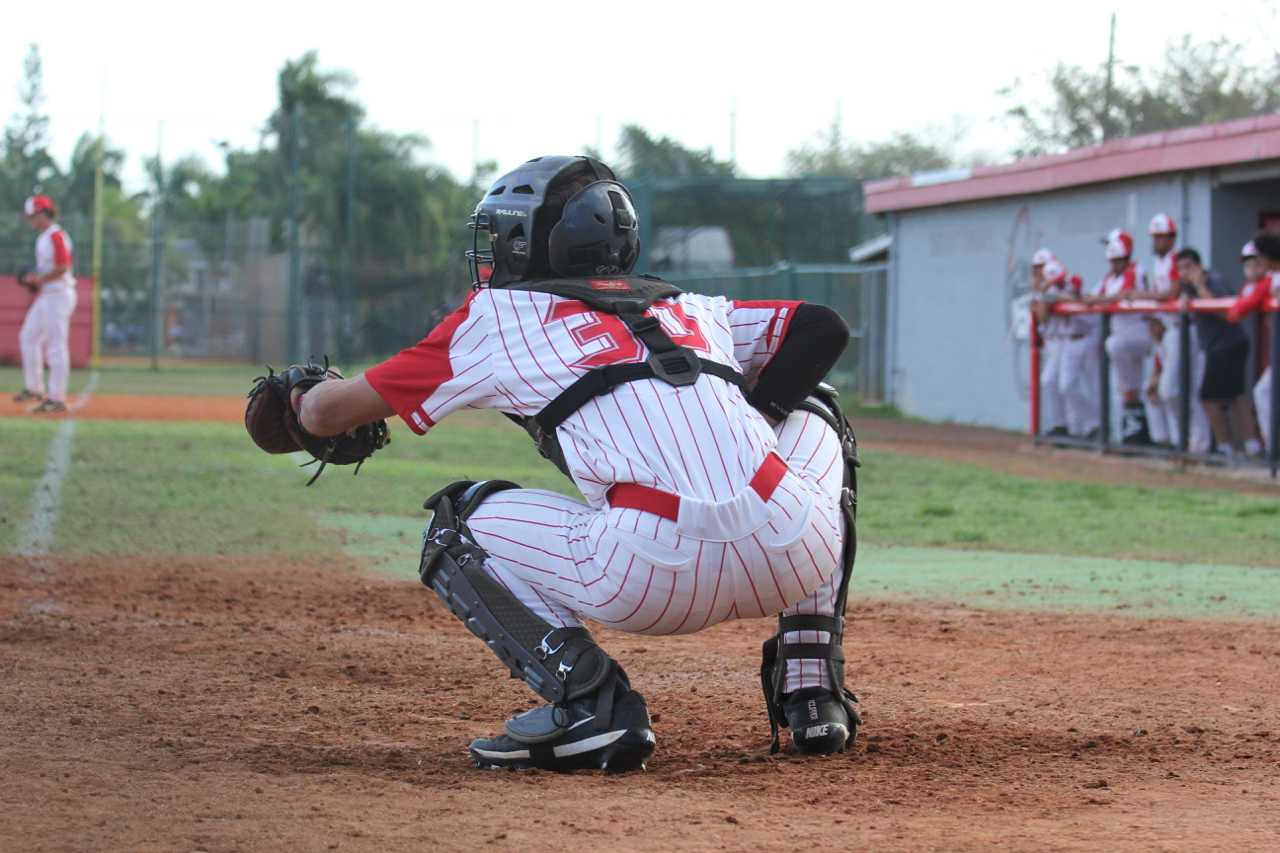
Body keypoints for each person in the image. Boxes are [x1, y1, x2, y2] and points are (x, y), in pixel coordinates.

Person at [261, 155, 861, 773]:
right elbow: (822, 327)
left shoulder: (495, 317)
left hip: (652, 577)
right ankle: (814, 690)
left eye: (500, 235)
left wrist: (303, 393)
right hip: (797, 550)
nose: (492, 250)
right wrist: (753, 421)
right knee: (815, 407)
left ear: (529, 244)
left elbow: (328, 415)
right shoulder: (689, 308)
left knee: (454, 525)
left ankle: (592, 709)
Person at [1170, 247, 1261, 458]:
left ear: (1199, 266)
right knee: (1232, 395)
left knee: (1213, 397)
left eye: (1189, 267)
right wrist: (1186, 294)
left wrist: (1199, 286)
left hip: (1228, 344)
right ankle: (1246, 445)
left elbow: (1222, 312)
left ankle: (1229, 447)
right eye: (1181, 269)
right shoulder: (1188, 285)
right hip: (1218, 347)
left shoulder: (1213, 279)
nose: (1185, 272)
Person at [1083, 232, 1153, 444]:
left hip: (1140, 331)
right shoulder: (1109, 277)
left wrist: (1099, 299)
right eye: (1111, 260)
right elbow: (1090, 297)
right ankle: (1127, 436)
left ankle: (1141, 428)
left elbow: (1123, 295)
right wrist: (1097, 299)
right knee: (1119, 388)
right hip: (1121, 331)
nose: (1114, 264)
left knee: (1115, 348)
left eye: (1117, 260)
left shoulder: (1135, 269)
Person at [14, 195, 77, 414]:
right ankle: (34, 388)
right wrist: (34, 276)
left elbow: (63, 267)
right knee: (28, 337)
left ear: (43, 214)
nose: (30, 220)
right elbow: (51, 268)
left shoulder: (56, 235)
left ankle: (57, 398)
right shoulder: (43, 237)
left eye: (32, 216)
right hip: (48, 295)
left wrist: (38, 279)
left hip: (59, 295)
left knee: (56, 346)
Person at [1034, 259, 1098, 438]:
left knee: (1094, 386)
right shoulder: (1049, 289)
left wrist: (1048, 296)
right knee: (1065, 386)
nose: (1059, 283)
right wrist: (1045, 296)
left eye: (1060, 279)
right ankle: (1075, 429)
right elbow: (1042, 318)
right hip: (1067, 341)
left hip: (1087, 336)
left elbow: (1074, 296)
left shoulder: (1074, 279)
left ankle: (1097, 426)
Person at [1228, 232, 1280, 450]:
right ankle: (1273, 450)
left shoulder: (1272, 278)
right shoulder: (1273, 278)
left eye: (1260, 256)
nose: (1259, 261)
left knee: (1264, 392)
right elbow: (1236, 312)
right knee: (1264, 391)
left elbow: (1236, 313)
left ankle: (1273, 450)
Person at [1142, 314, 1210, 453]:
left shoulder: (1172, 335)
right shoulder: (1159, 343)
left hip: (1184, 332)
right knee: (1155, 390)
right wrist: (1153, 383)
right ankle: (1168, 441)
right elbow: (1158, 367)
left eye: (1153, 325)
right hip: (1176, 332)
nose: (1149, 330)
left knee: (1175, 392)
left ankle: (1199, 445)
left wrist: (1156, 382)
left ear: (1161, 326)